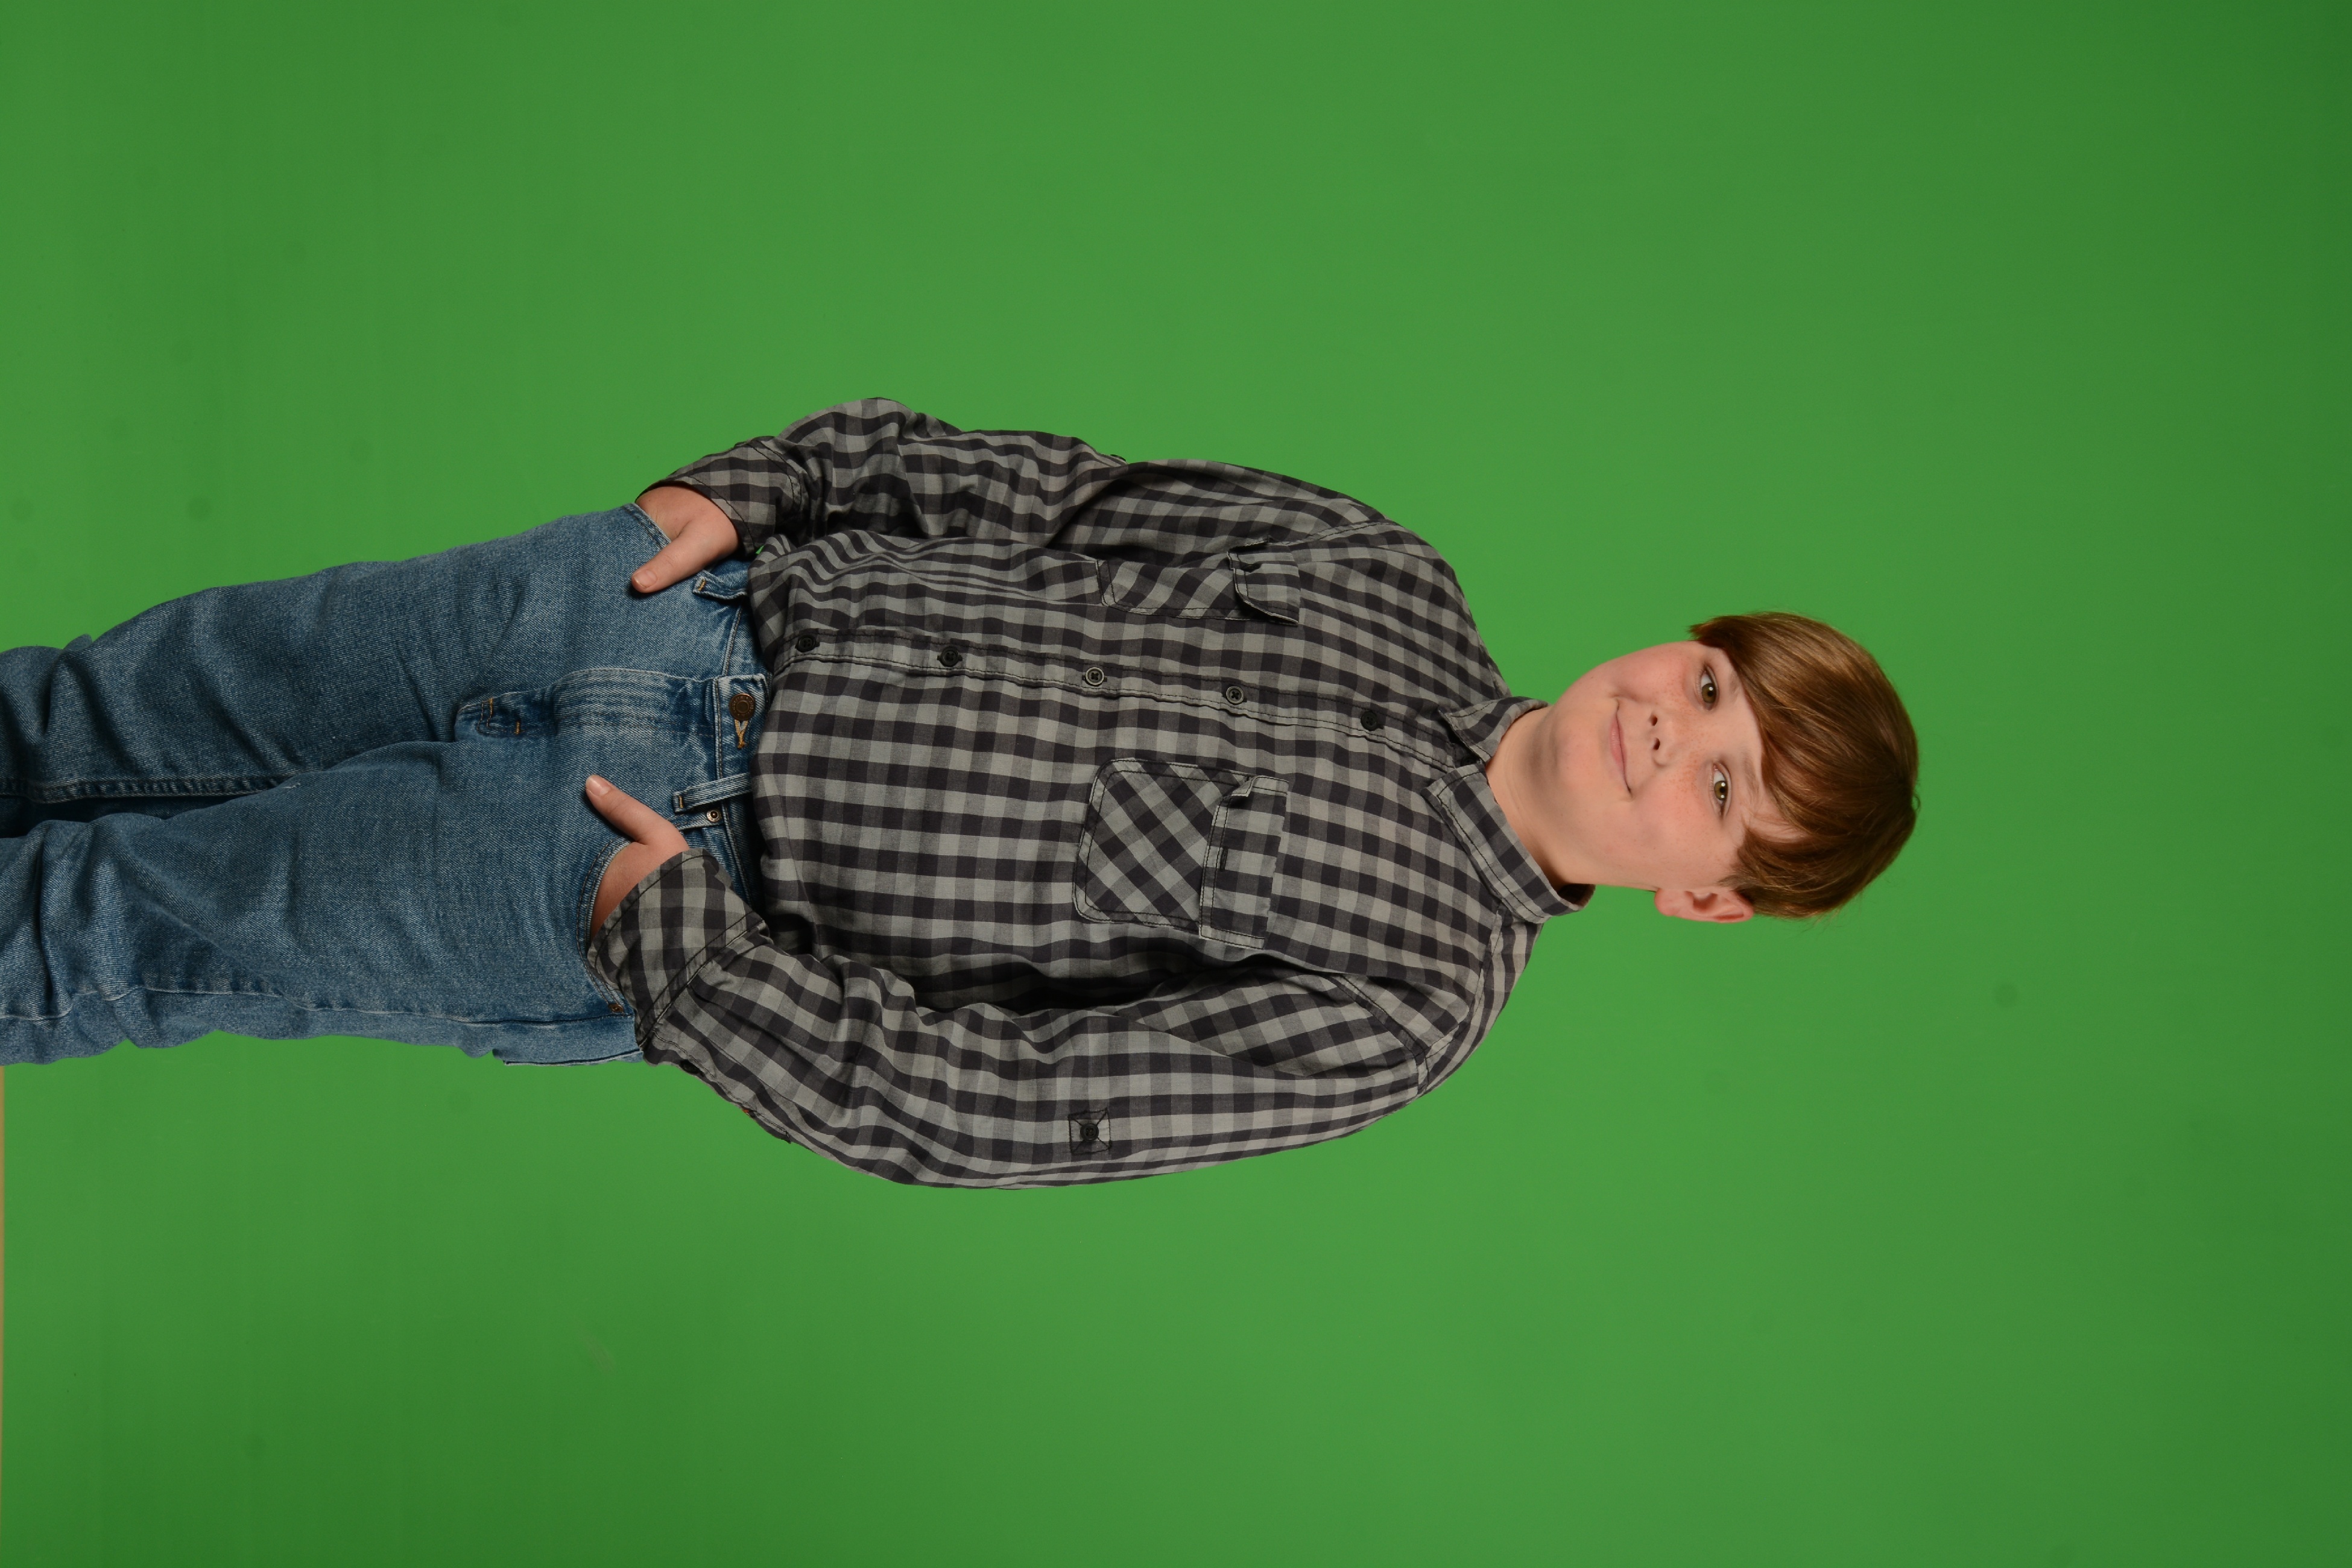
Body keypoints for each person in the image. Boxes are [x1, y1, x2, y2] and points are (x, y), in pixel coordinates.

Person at [0, 400, 1918, 1187]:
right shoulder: (1385, 575)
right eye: (1704, 682)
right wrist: (762, 488)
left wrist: (685, 956)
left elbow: (1016, 1107)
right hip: (653, 607)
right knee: (98, 701)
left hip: (655, 870)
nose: (1666, 731)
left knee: (104, 934)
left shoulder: (1410, 1003)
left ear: (1708, 896)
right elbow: (1052, 496)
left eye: (1722, 786)